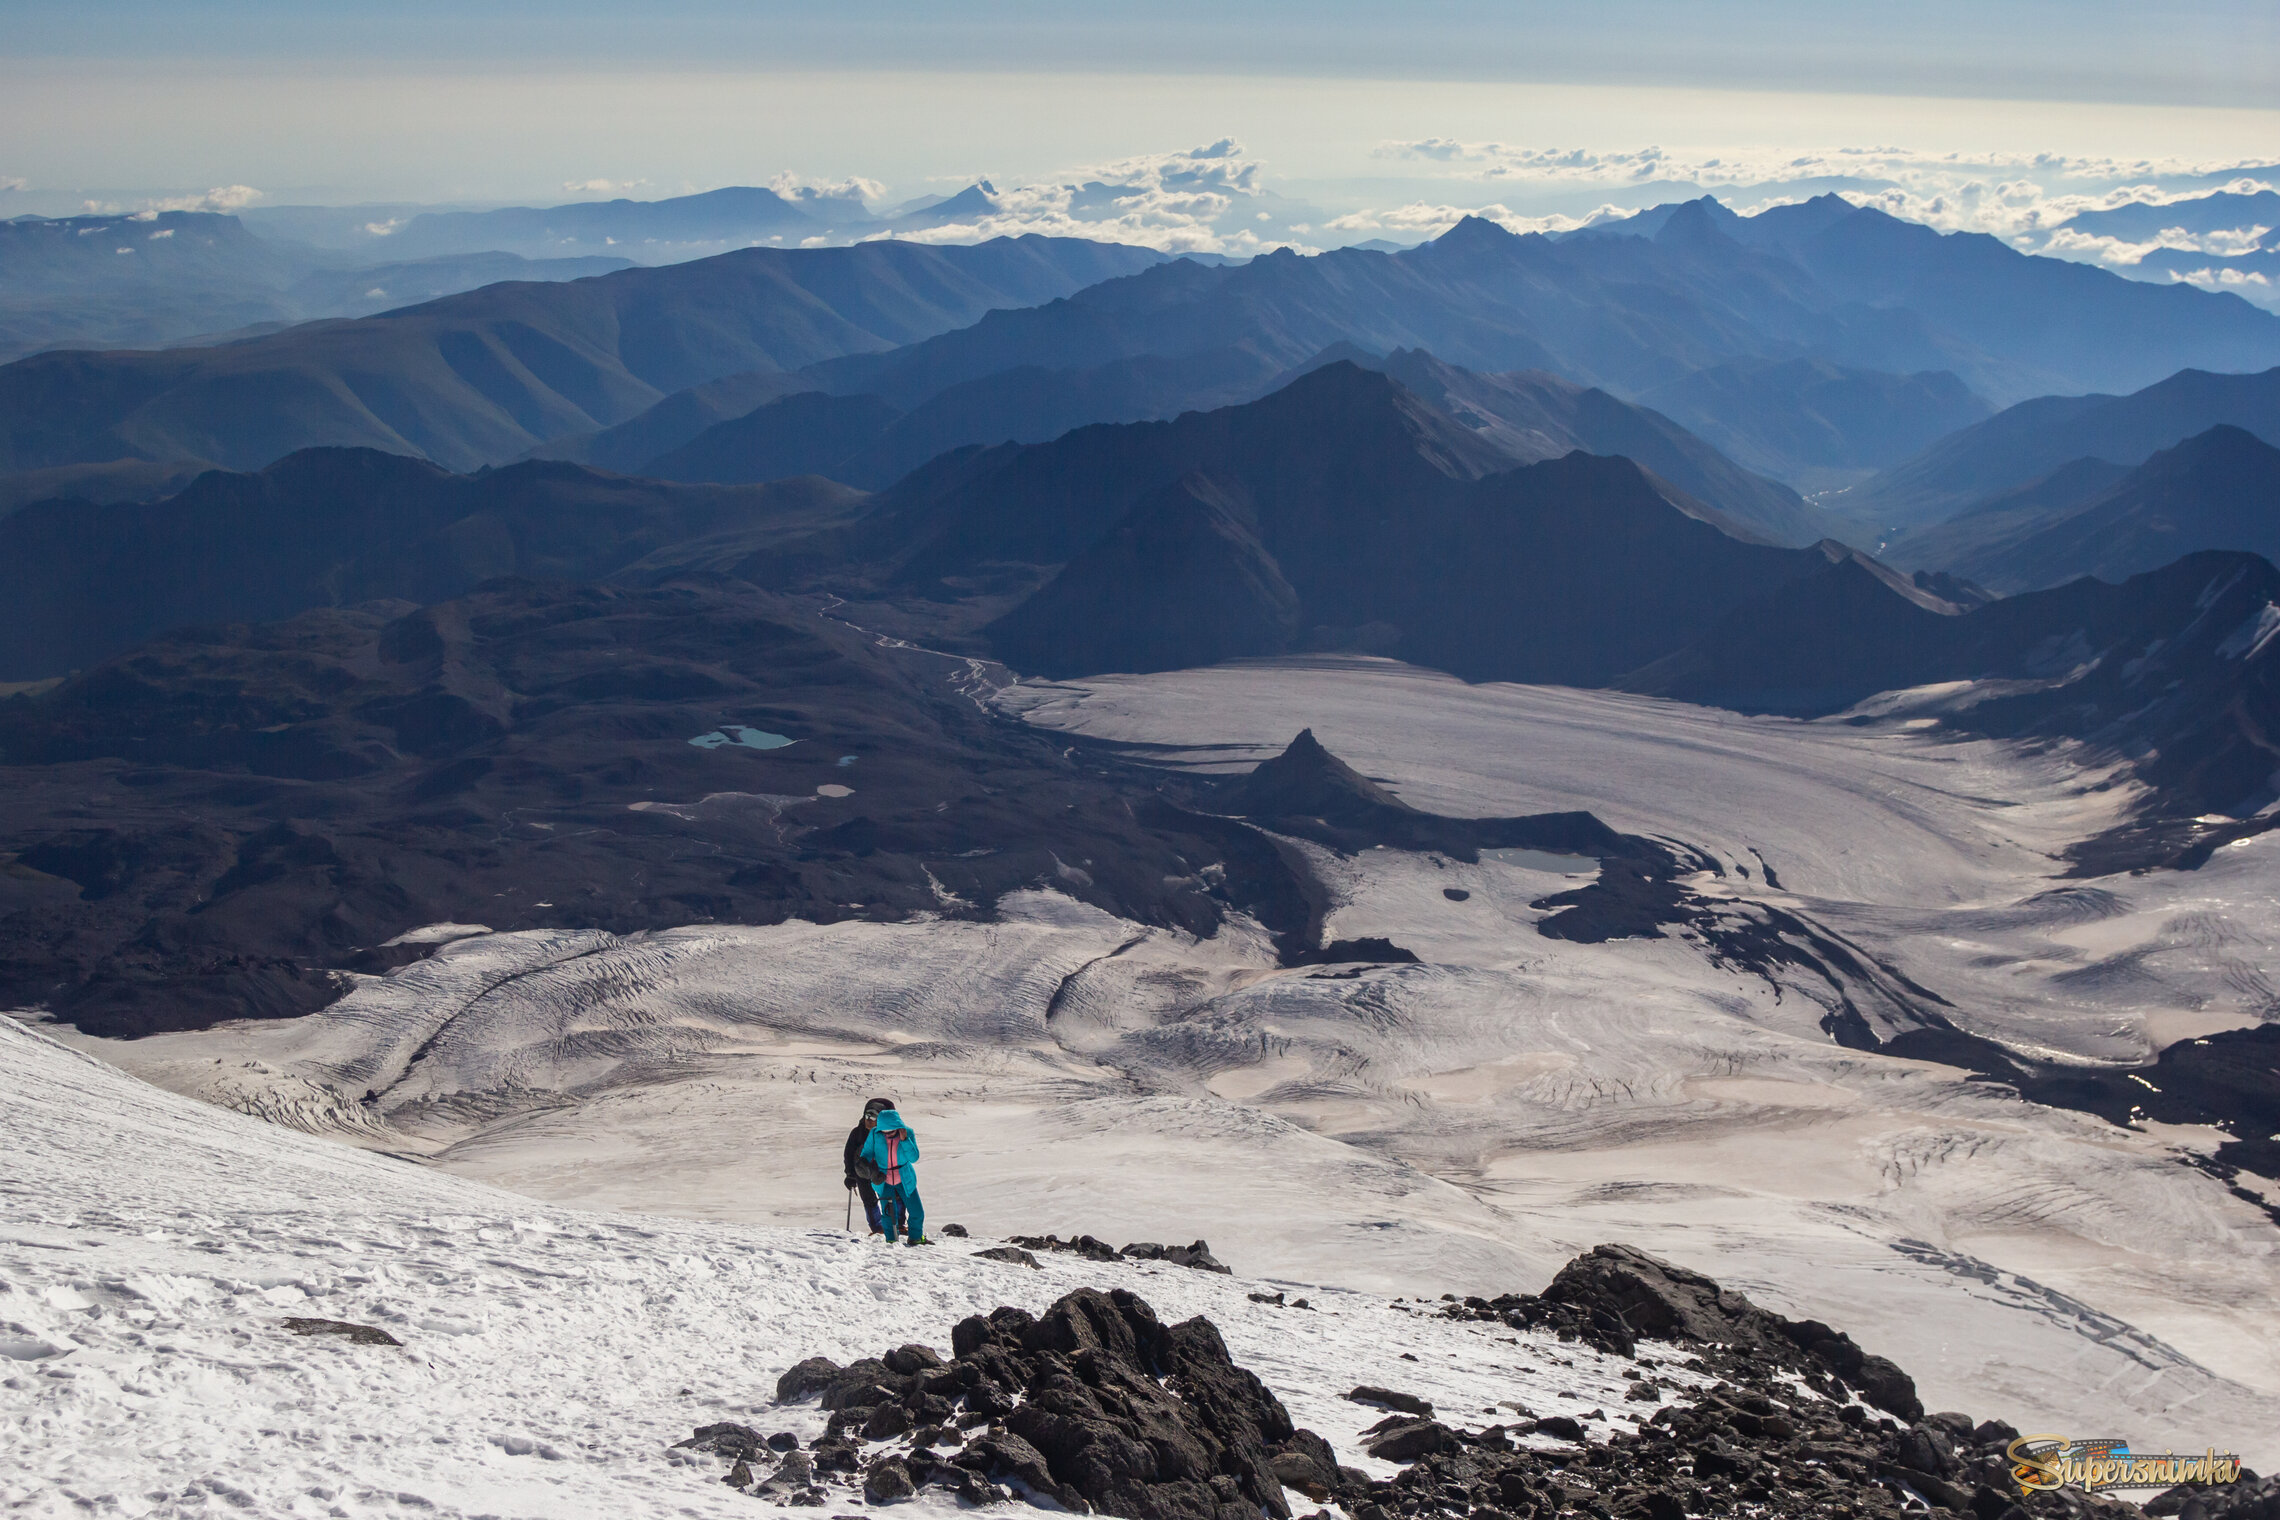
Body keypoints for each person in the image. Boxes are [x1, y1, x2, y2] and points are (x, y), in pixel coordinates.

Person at [858, 1104, 928, 1246]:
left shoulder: (907, 1132)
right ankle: (891, 1240)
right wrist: (871, 1172)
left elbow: (914, 1157)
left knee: (916, 1211)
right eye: (884, 1131)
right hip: (883, 1178)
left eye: (890, 1131)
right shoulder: (874, 1134)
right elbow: (865, 1155)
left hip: (905, 1177)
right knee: (888, 1212)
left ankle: (915, 1238)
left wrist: (904, 1140)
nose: (887, 1134)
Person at [842, 1097, 892, 1236]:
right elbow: (849, 1155)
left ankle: (895, 1225)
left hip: (883, 1172)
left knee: (890, 1197)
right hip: (862, 1172)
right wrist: (850, 1174)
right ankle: (878, 1229)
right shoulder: (857, 1133)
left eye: (873, 1116)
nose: (868, 1119)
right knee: (869, 1200)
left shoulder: (889, 1134)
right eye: (867, 1115)